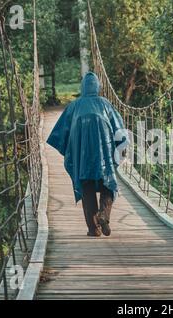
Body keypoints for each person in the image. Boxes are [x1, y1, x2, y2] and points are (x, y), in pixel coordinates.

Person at [47, 72, 127, 237]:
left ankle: (93, 229)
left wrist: (71, 151)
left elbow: (60, 134)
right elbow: (119, 130)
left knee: (86, 186)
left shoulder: (74, 106)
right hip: (104, 154)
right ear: (97, 87)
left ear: (82, 87)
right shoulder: (105, 104)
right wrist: (121, 148)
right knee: (107, 183)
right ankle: (104, 215)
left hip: (82, 156)